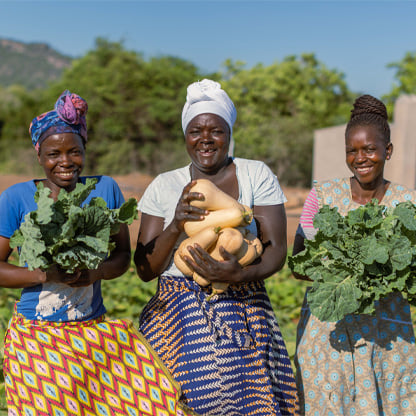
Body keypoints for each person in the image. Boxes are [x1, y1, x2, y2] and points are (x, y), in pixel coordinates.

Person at [0, 90, 197, 416]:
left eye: (73, 152)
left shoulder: (105, 189)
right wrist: (44, 275)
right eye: (53, 154)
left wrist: (96, 273)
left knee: (151, 402)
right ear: (39, 155)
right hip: (36, 338)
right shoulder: (17, 198)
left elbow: (122, 257)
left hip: (93, 332)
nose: (64, 162)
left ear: (84, 150)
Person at [134, 79, 299, 416]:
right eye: (196, 130)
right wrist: (177, 223)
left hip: (245, 303)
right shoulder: (164, 185)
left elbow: (277, 248)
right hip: (178, 313)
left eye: (216, 130)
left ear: (229, 133)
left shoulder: (256, 175)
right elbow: (145, 269)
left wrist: (240, 273)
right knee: (185, 401)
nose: (205, 139)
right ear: (185, 135)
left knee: (253, 401)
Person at [292, 94, 416, 415]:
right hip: (329, 337)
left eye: (370, 150)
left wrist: (387, 270)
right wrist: (345, 269)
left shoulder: (407, 202)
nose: (360, 158)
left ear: (387, 151)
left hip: (388, 337)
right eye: (352, 151)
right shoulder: (323, 196)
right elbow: (299, 264)